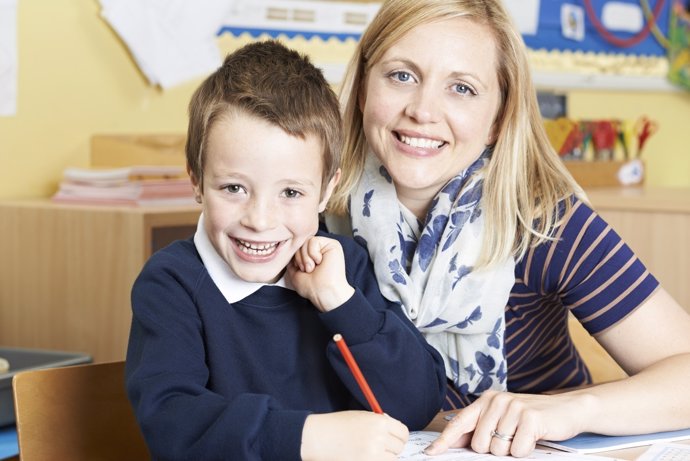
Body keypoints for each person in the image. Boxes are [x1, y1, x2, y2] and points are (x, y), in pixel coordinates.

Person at [325, 0, 690, 457]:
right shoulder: (305, 212)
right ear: (363, 89)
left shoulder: (543, 221)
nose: (423, 110)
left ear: (498, 118)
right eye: (402, 76)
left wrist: (571, 409)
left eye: (461, 88)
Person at [125, 40, 447, 461]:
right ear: (197, 180)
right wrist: (307, 437)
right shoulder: (173, 283)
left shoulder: (343, 267)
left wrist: (340, 303)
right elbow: (171, 422)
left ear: (326, 190)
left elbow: (418, 404)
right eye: (234, 188)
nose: (260, 219)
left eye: (291, 192)